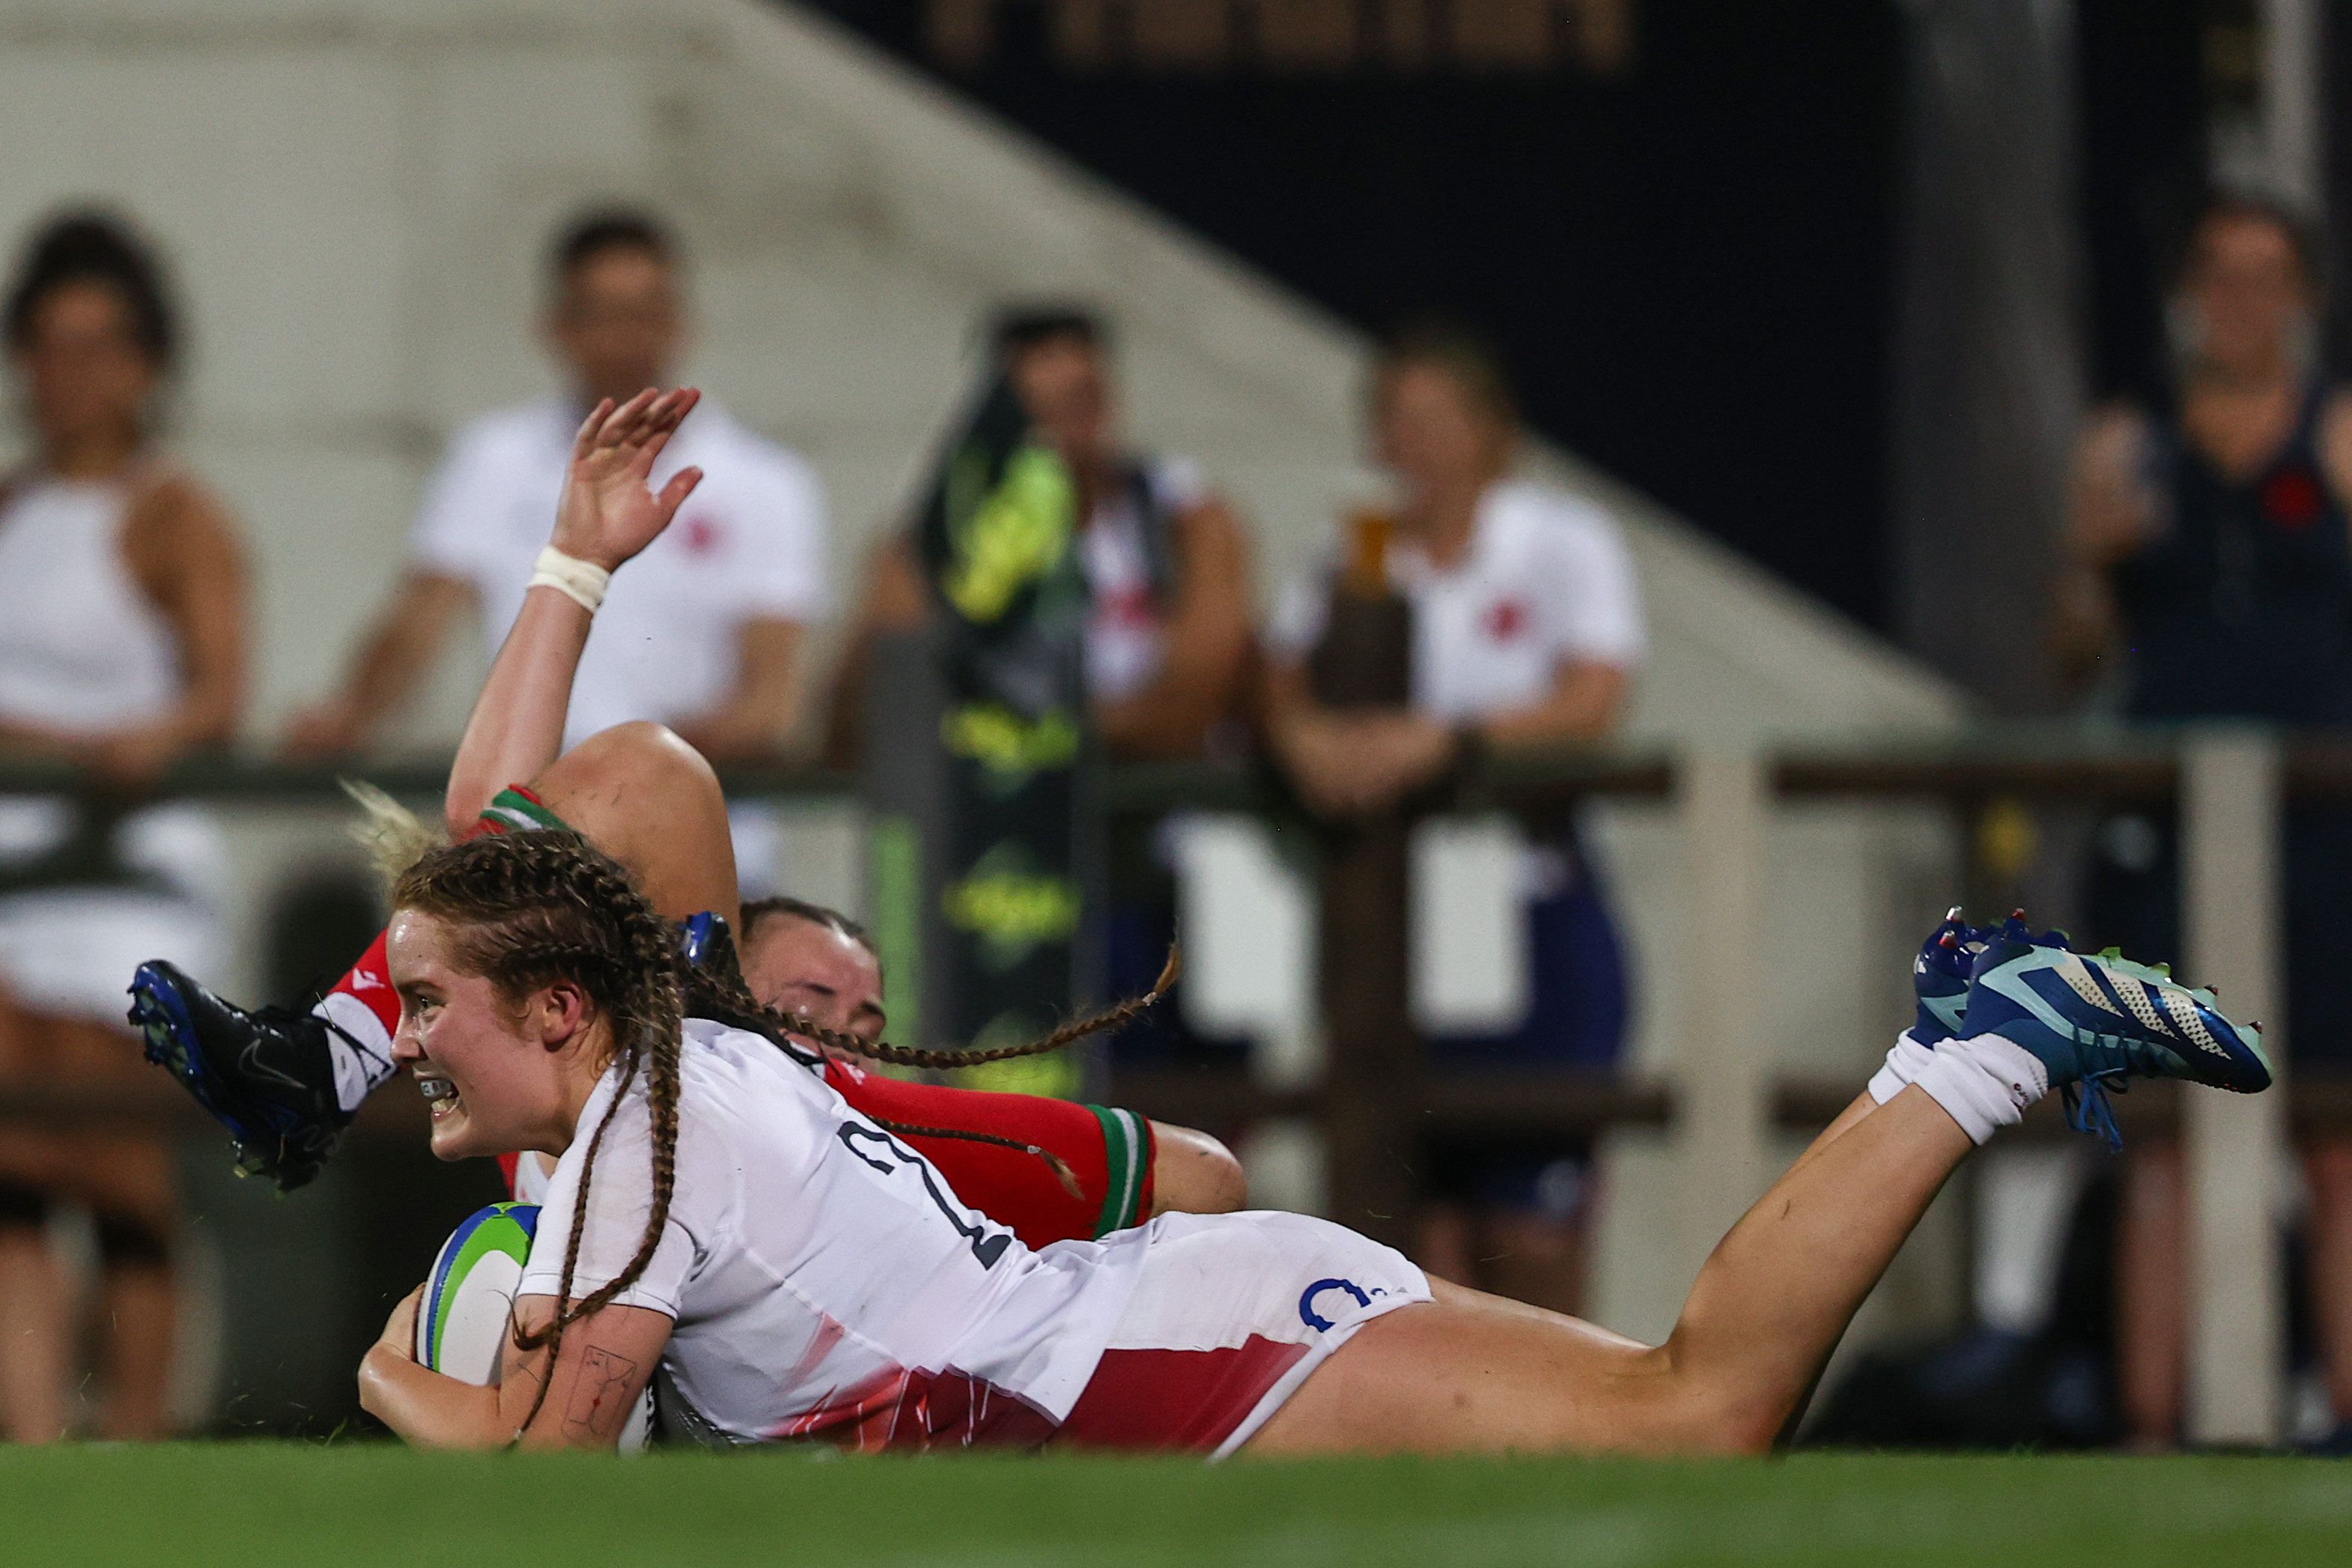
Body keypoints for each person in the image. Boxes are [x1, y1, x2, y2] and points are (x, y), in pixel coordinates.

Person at [351, 818, 2271, 1453]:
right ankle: (1972, 1052)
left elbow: (546, 1492)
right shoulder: (671, 1075)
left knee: (1696, 1417)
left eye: (425, 998)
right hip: (1156, 1324)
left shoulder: (632, 1140)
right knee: (1685, 1413)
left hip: (1171, 1359)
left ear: (558, 1011)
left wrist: (387, 1381)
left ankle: (1976, 1052)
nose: (405, 1029)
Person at [130, 389, 1244, 1248]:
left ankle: (327, 1061)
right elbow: (488, 829)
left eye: (868, 1009)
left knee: (1234, 1207)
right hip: (702, 1338)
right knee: (645, 771)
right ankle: (325, 1063)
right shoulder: (618, 1102)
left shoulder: (879, 1121)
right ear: (711, 987)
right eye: (811, 997)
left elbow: (1203, 1181)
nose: (848, 1029)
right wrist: (572, 563)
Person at [1263, 320, 1644, 1314]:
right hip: (1399, 918)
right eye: (1398, 421)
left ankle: (1566, 1415)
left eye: (1438, 420)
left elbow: (1594, 697)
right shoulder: (1360, 549)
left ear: (1491, 433)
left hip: (1531, 897)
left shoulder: (1560, 539)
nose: (1417, 444)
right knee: (1414, 1212)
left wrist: (1448, 742)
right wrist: (1303, 737)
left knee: (1532, 1215)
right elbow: (1280, 674)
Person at [2053, 193, 2352, 1451]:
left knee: (2337, 1134)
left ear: (2302, 299)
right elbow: (2068, 653)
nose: (2241, 302)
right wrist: (2091, 560)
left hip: (2321, 833)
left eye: (2265, 278)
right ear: (2185, 296)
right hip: (2165, 834)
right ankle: (2152, 1427)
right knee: (2161, 1136)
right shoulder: (2125, 446)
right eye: (2219, 276)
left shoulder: (2339, 437)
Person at [284, 211, 825, 887]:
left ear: (680, 321)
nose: (625, 340)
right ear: (557, 327)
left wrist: (658, 766)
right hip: (536, 845)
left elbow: (771, 695)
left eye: (643, 313)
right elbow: (418, 621)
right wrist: (350, 714)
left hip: (699, 845)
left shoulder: (764, 483)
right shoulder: (493, 460)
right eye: (603, 314)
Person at [0, 213, 248, 1442]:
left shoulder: (174, 515)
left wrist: (132, 742)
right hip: (16, 879)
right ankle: (36, 1438)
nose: (72, 376)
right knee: (12, 1169)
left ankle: (141, 1437)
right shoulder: (7, 506)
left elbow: (215, 689)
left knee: (118, 1168)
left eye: (100, 347)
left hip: (129, 884)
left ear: (148, 364)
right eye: (48, 347)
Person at [830, 306, 1254, 766]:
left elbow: (1189, 705)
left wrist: (1013, 729)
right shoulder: (933, 539)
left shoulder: (1181, 520)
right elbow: (874, 708)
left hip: (1150, 800)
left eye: (1081, 404)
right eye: (1037, 410)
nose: (1061, 437)